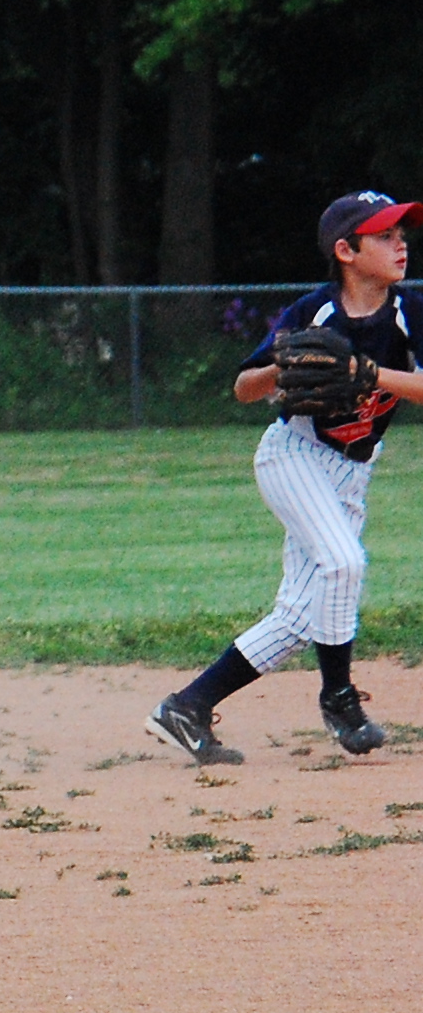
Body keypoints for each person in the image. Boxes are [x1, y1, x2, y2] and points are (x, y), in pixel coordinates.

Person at [151, 191, 423, 765]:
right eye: (385, 235)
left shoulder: (410, 313)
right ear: (346, 251)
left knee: (300, 617)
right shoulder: (314, 312)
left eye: (402, 233)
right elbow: (243, 388)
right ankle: (339, 699)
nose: (401, 244)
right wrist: (281, 366)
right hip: (294, 457)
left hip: (352, 472)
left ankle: (187, 706)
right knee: (344, 563)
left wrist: (367, 372)